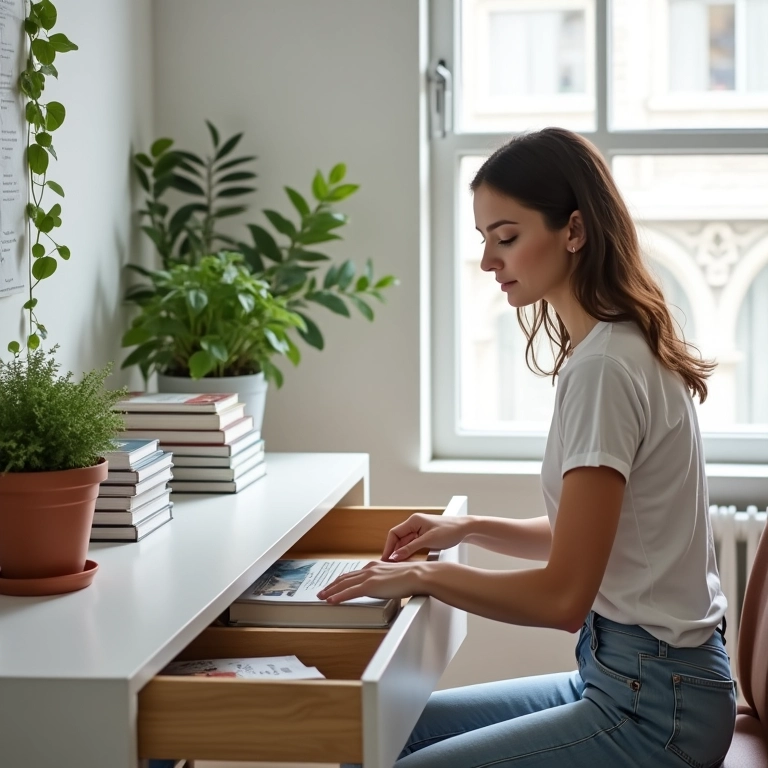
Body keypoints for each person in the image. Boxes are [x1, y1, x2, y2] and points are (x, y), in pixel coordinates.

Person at [319, 127, 736, 767]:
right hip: (627, 679)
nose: (489, 262)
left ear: (574, 230)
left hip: (656, 709)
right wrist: (467, 526)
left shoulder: (606, 369)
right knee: (370, 731)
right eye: (485, 240)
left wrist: (426, 574)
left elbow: (564, 597)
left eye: (507, 238)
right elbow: (593, 537)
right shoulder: (612, 349)